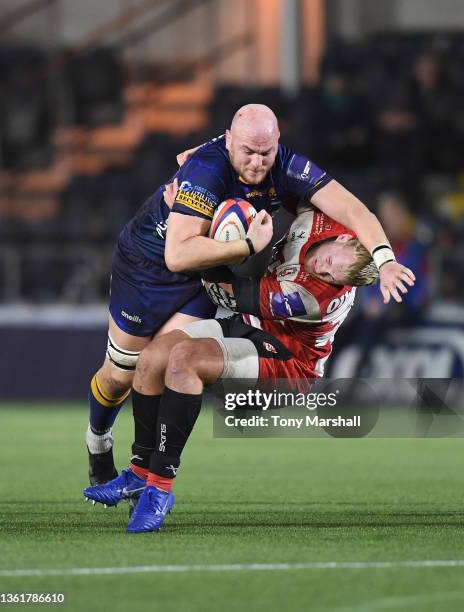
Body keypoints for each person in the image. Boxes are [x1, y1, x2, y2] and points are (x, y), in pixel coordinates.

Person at [86, 103, 414, 486]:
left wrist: (386, 260)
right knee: (118, 377)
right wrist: (245, 245)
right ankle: (98, 442)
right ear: (229, 142)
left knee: (159, 361)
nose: (258, 163)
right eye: (248, 152)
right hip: (148, 266)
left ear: (278, 144)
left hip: (203, 276)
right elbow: (177, 256)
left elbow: (355, 209)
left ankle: (144, 476)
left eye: (266, 153)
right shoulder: (207, 168)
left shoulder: (286, 168)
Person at [83, 203, 391, 533]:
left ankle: (159, 489)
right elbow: (288, 185)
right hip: (250, 327)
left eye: (333, 276)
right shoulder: (321, 219)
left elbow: (230, 295)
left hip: (289, 364)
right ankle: (139, 474)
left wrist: (209, 244)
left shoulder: (313, 297)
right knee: (151, 358)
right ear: (343, 238)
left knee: (184, 362)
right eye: (330, 263)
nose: (323, 271)